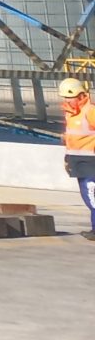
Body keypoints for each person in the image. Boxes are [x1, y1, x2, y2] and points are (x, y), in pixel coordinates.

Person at [64, 76, 95, 238]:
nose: (68, 101)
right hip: (78, 161)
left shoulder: (90, 111)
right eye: (66, 98)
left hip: (91, 161)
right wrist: (67, 158)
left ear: (81, 95)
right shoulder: (70, 115)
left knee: (92, 196)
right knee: (87, 196)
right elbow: (71, 138)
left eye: (71, 98)